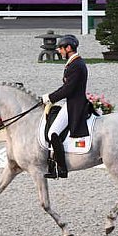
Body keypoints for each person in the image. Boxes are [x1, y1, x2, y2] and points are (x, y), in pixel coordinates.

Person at [41, 34, 89, 178]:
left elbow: (68, 89)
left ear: (68, 48)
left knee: (53, 132)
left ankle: (61, 169)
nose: (59, 51)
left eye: (61, 48)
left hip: (75, 104)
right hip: (71, 101)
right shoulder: (74, 62)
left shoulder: (76, 65)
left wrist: (50, 98)